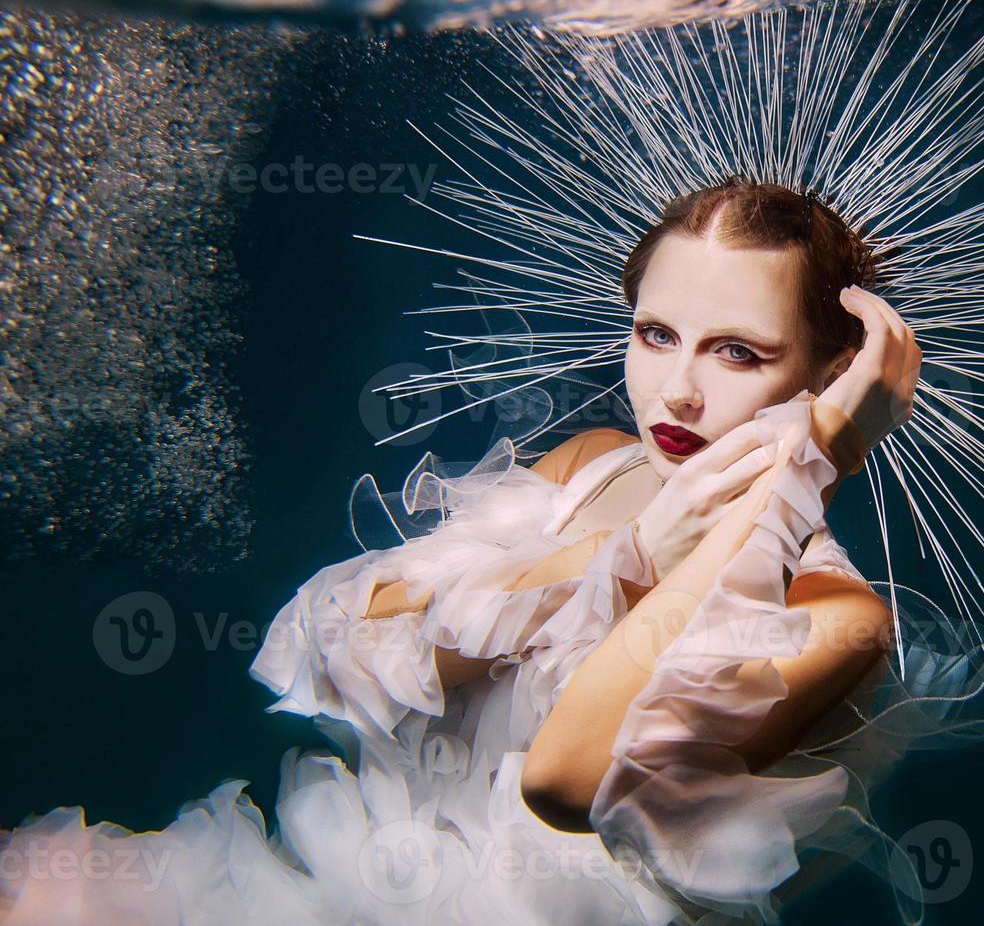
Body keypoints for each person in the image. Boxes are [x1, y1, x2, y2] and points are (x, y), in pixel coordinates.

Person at [0, 182, 936, 925]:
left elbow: (569, 782)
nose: (677, 391)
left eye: (738, 352)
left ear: (832, 375)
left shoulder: (835, 617)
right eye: (655, 335)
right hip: (324, 882)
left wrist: (804, 474)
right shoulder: (596, 468)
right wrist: (626, 550)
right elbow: (341, 645)